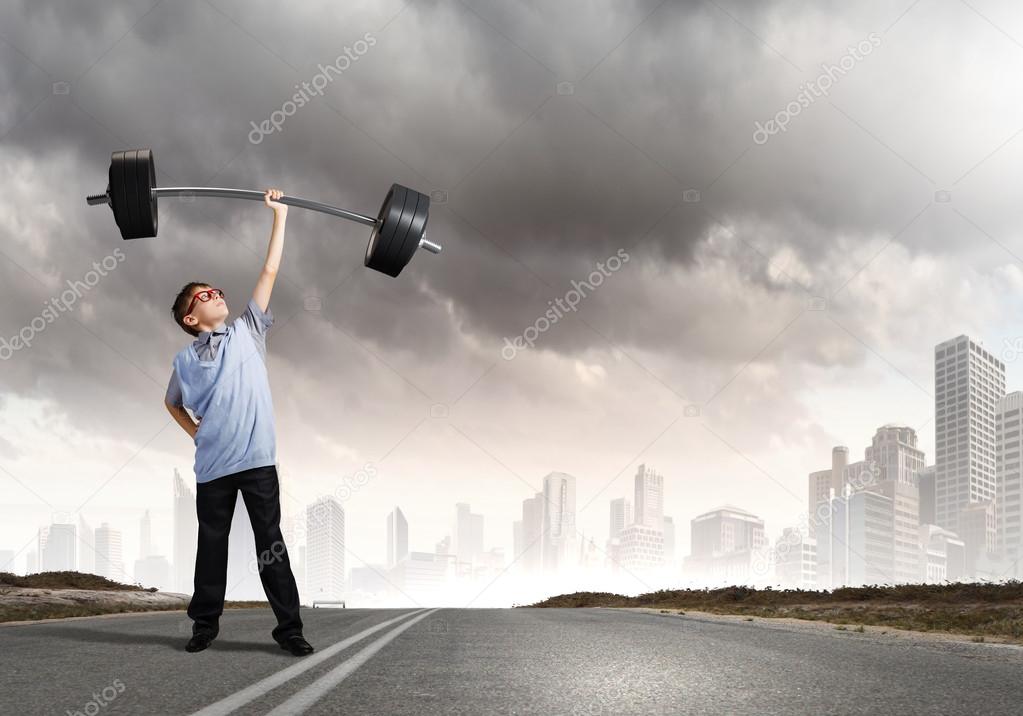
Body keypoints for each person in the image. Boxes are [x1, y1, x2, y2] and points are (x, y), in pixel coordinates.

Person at [164, 188, 313, 656]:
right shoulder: (183, 361)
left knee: (270, 545)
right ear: (192, 317)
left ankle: (289, 630)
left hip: (256, 461)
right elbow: (172, 404)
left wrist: (280, 215)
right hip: (212, 470)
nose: (217, 294)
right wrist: (197, 434)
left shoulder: (247, 330)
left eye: (217, 290)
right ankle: (204, 626)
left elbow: (269, 270)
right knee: (212, 548)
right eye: (206, 295)